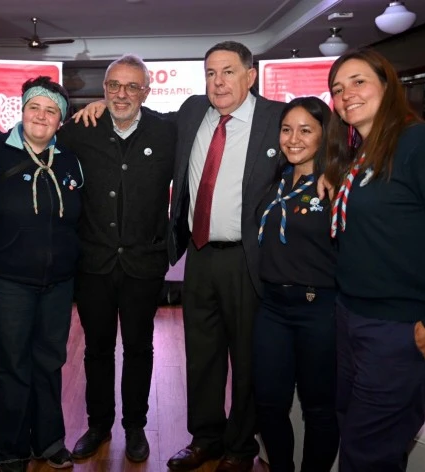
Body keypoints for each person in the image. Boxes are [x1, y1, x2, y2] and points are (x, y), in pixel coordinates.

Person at [323, 49, 425, 472]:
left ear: (388, 85)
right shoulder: (362, 155)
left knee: (368, 450)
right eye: (338, 89)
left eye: (358, 81)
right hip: (352, 319)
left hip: (401, 330)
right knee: (355, 434)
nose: (346, 94)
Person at [166, 41, 284, 472]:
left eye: (228, 72)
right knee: (201, 354)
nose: (218, 82)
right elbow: (145, 120)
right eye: (211, 73)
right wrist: (103, 106)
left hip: (247, 259)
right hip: (198, 256)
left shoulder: (275, 120)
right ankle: (206, 438)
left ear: (250, 76)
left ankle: (240, 447)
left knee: (247, 357)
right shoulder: (193, 112)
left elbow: (309, 152)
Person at [58, 54, 175, 463]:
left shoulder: (167, 131)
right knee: (97, 349)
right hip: (93, 264)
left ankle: (135, 426)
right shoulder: (79, 130)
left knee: (140, 348)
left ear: (147, 90)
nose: (121, 94)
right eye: (113, 86)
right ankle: (98, 424)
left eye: (131, 86)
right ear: (103, 90)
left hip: (144, 263)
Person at [0, 76, 82, 472]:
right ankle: (10, 451)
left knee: (49, 362)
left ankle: (48, 441)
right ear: (21, 111)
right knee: (11, 368)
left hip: (58, 284)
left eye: (51, 110)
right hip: (6, 282)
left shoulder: (71, 161)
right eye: (34, 107)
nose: (41, 116)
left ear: (61, 120)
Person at [253, 97, 338, 472]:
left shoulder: (337, 182)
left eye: (306, 130)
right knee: (269, 403)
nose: (293, 138)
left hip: (319, 309)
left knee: (319, 407)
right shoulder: (278, 179)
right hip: (272, 308)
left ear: (324, 134)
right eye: (287, 129)